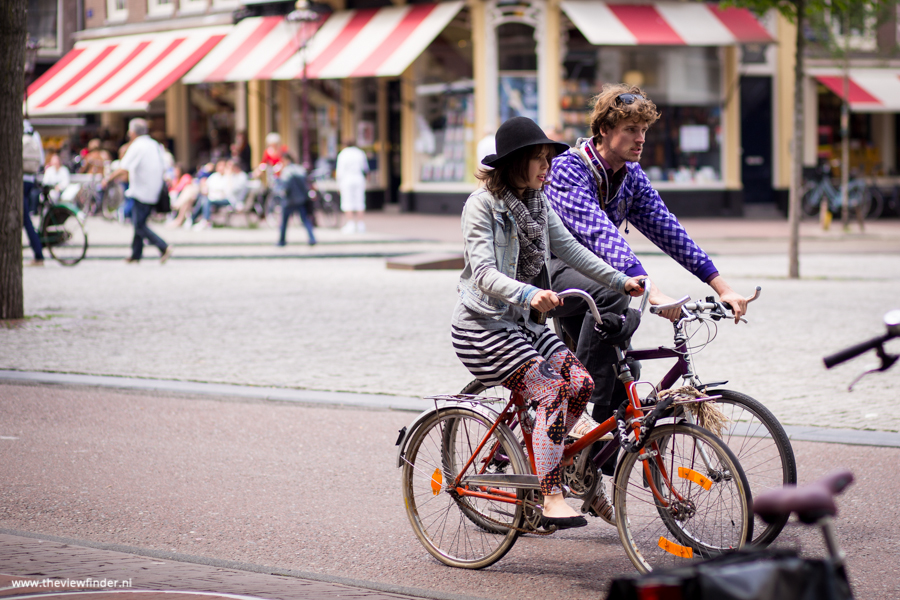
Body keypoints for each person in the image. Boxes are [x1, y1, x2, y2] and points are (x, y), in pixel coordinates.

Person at [452, 116, 645, 530]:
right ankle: (551, 494)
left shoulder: (539, 205)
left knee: (582, 383)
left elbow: (572, 250)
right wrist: (528, 293)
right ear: (515, 162)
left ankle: (548, 447)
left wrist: (620, 279)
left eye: (548, 158)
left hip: (523, 326)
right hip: (482, 328)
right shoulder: (481, 205)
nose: (547, 166)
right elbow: (484, 272)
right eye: (538, 158)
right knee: (553, 389)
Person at [544, 83, 752, 445]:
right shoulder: (567, 170)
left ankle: (592, 479)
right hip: (556, 273)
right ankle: (571, 411)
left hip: (603, 280)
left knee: (627, 388)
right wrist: (650, 290)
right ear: (604, 130)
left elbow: (669, 231)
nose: (641, 139)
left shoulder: (630, 176)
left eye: (644, 130)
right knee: (613, 296)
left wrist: (721, 286)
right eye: (630, 130)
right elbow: (601, 238)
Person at [103, 118, 172, 264]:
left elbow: (124, 166)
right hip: (154, 190)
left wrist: (108, 178)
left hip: (142, 191)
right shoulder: (155, 144)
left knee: (139, 225)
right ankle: (136, 255)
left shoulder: (137, 145)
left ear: (132, 132)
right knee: (138, 222)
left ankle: (163, 247)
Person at [275, 153, 316, 247]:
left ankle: (282, 241)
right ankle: (312, 238)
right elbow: (306, 183)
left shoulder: (286, 171)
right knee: (305, 220)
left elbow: (285, 186)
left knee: (284, 222)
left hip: (289, 200)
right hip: (301, 199)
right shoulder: (300, 169)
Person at [22, 119, 45, 266]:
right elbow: (41, 161)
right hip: (30, 179)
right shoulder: (34, 134)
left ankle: (38, 253)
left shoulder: (12, 131)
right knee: (24, 217)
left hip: (18, 179)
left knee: (25, 219)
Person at [335, 139, 368, 233]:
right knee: (360, 201)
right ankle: (361, 224)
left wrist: (338, 184)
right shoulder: (360, 153)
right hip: (359, 179)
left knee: (347, 201)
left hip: (347, 179)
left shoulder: (343, 154)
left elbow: (340, 171)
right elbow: (365, 168)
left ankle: (350, 224)